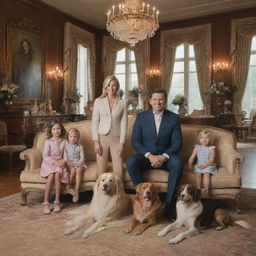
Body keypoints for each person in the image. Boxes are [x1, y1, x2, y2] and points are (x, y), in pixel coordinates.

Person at [126, 88, 183, 221]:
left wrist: (163, 157)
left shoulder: (174, 118)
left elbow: (177, 144)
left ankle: (169, 206)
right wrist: (149, 156)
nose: (158, 102)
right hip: (147, 157)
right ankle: (143, 199)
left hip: (166, 157)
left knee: (178, 163)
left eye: (161, 99)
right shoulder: (141, 117)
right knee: (131, 161)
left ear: (165, 101)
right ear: (150, 101)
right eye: (155, 99)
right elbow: (135, 141)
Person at [92, 75, 127, 180]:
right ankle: (100, 194)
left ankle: (118, 193)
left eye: (113, 85)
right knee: (101, 169)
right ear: (105, 87)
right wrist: (96, 142)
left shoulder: (122, 102)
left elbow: (124, 124)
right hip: (102, 138)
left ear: (117, 87)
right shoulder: (98, 101)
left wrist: (121, 143)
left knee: (118, 170)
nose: (111, 88)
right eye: (108, 86)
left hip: (116, 139)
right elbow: (95, 122)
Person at [40, 121, 68, 214]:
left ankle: (57, 201)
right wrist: (55, 162)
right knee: (51, 175)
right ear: (51, 131)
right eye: (54, 129)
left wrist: (62, 162)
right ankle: (46, 202)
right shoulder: (48, 142)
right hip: (49, 163)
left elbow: (66, 156)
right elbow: (45, 156)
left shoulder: (64, 141)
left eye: (58, 128)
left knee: (57, 175)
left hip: (60, 163)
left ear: (61, 130)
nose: (56, 131)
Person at [188, 129, 217, 197]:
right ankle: (198, 189)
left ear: (210, 139)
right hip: (200, 165)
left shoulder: (212, 148)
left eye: (206, 138)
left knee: (206, 174)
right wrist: (189, 165)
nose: (204, 140)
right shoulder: (197, 148)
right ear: (199, 139)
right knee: (198, 174)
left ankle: (206, 190)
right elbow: (191, 158)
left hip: (208, 165)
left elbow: (211, 160)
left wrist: (205, 166)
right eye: (202, 138)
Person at [65, 128, 87, 203]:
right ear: (68, 137)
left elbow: (82, 158)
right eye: (71, 136)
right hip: (69, 163)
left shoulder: (80, 146)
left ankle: (77, 190)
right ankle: (69, 186)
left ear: (78, 138)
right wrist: (68, 162)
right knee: (73, 170)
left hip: (78, 163)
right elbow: (64, 156)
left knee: (79, 169)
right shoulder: (66, 146)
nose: (73, 138)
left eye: (75, 137)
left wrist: (77, 163)